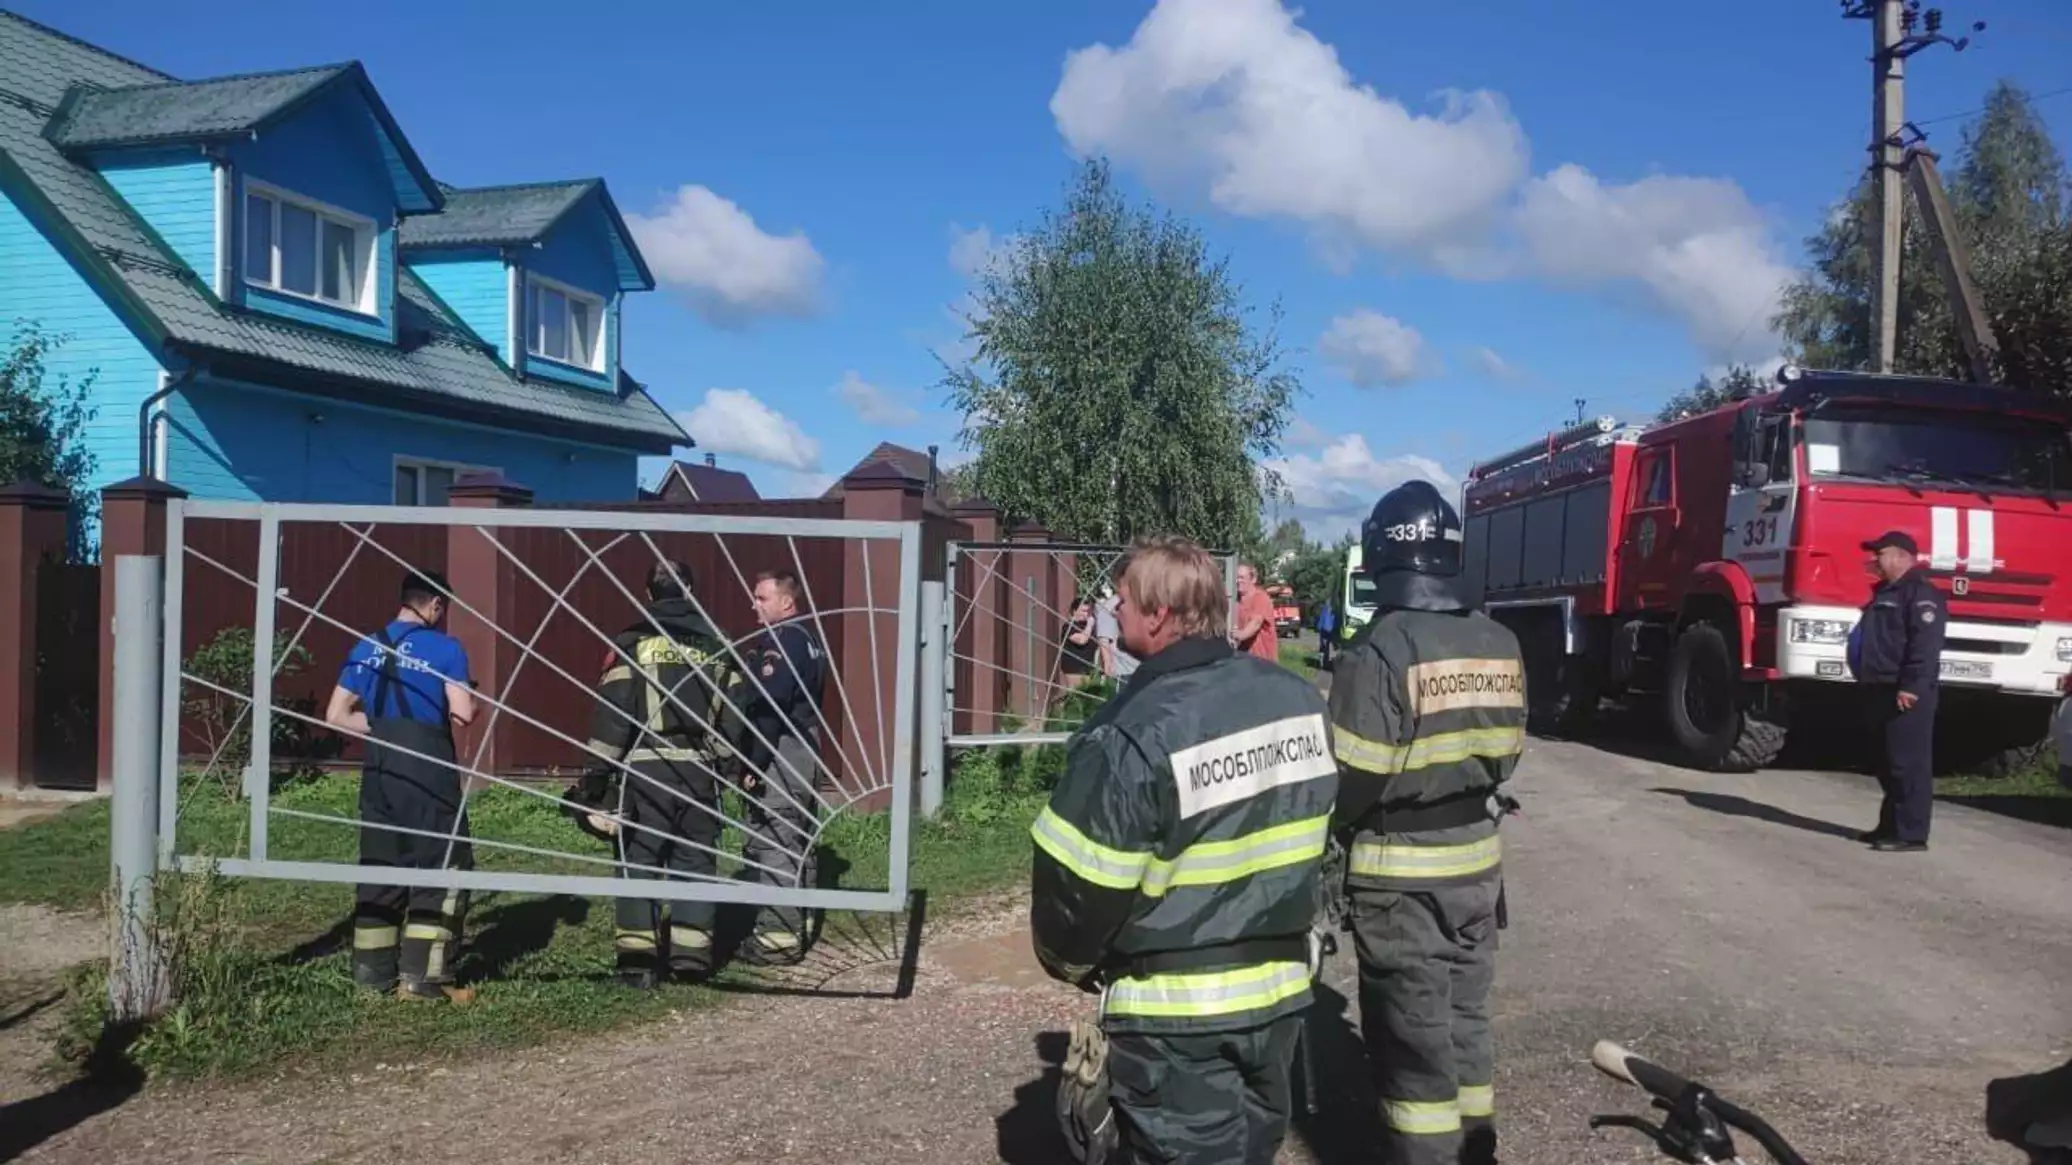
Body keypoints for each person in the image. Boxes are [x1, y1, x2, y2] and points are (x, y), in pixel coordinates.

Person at [1032, 535, 1339, 1165]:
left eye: (1122, 600)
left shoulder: (1131, 731)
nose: (1112, 611)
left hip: (1175, 1018)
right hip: (1280, 997)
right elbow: (1325, 835)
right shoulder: (1300, 701)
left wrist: (1069, 963)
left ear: (1159, 616)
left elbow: (1078, 890)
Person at [1327, 481, 1526, 1165]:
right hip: (1478, 863)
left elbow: (1349, 777)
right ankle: (1479, 1148)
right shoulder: (1501, 640)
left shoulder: (1380, 648)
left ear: (1382, 556)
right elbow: (1509, 754)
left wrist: (1330, 836)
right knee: (1467, 1018)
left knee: (1413, 1043)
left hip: (1400, 876)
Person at [586, 558, 746, 987]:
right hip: (699, 774)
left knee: (638, 862)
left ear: (649, 594)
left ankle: (638, 965)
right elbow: (735, 718)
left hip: (645, 775)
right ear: (691, 593)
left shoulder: (632, 641)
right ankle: (691, 961)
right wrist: (730, 769)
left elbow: (613, 716)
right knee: (695, 861)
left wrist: (596, 780)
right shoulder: (718, 644)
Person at [325, 570, 477, 1002]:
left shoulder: (366, 644)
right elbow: (463, 713)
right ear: (435, 605)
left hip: (379, 769)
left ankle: (371, 979)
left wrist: (381, 729)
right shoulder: (447, 648)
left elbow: (335, 715)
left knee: (380, 866)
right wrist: (473, 700)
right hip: (427, 768)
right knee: (443, 863)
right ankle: (424, 980)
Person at [738, 568, 827, 964]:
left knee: (776, 837)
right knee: (799, 837)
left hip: (783, 748)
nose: (753, 605)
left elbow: (770, 709)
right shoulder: (810, 640)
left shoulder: (784, 640)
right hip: (806, 745)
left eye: (761, 598)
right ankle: (798, 925)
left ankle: (776, 940)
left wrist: (753, 762)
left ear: (786, 602)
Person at [1852, 530, 1945, 853]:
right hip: (1879, 686)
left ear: (1902, 556)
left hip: (1905, 692)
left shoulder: (1920, 595)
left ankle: (1912, 833)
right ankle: (1890, 825)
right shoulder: (1884, 592)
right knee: (1886, 760)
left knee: (1908, 763)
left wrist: (1912, 687)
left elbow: (1924, 646)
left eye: (1880, 553)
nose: (1874, 559)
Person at [1231, 563, 1280, 665]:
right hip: (1244, 659)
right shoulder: (1235, 601)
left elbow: (1256, 623)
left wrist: (1239, 635)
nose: (1238, 581)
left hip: (1263, 661)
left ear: (1253, 580)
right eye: (1236, 577)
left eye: (1242, 577)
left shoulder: (1261, 598)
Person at [1093, 583, 1138, 685]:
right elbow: (1104, 642)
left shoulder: (1140, 601)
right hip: (1123, 672)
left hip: (1140, 669)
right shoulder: (1110, 606)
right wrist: (1108, 669)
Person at [1316, 598, 1339, 670]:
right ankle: (1326, 662)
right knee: (1330, 647)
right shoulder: (1334, 611)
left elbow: (1320, 620)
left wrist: (1319, 628)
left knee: (1324, 647)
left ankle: (1322, 662)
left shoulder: (1324, 610)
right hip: (1330, 630)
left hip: (1324, 630)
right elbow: (1336, 621)